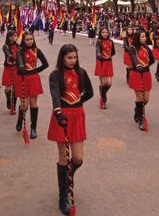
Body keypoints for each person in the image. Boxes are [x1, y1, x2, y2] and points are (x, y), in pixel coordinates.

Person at [47, 44, 93, 215]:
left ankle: (67, 179)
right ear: (62, 58)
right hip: (62, 118)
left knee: (78, 159)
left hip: (78, 115)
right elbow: (55, 95)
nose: (72, 61)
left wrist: (78, 102)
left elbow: (89, 92)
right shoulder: (55, 75)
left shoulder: (82, 73)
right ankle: (62, 196)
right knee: (64, 158)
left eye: (74, 57)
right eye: (69, 58)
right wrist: (59, 113)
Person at [15, 32, 49, 139]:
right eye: (27, 40)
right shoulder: (20, 50)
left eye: (31, 39)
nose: (30, 41)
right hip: (23, 78)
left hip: (34, 79)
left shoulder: (37, 50)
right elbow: (19, 60)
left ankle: (33, 128)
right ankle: (20, 119)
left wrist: (35, 70)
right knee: (24, 106)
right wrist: (21, 67)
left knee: (34, 104)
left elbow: (45, 64)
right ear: (23, 41)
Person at [128, 30, 155, 131]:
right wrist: (138, 65)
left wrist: (145, 66)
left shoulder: (147, 48)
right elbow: (134, 58)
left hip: (146, 74)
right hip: (136, 74)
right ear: (137, 38)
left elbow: (152, 60)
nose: (145, 38)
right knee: (140, 97)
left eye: (145, 37)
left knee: (146, 99)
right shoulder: (132, 48)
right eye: (142, 37)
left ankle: (137, 110)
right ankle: (141, 119)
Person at [95, 27, 115, 109]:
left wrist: (108, 57)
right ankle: (103, 100)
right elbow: (98, 52)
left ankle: (103, 94)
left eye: (106, 32)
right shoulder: (99, 42)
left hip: (109, 63)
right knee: (103, 83)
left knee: (109, 83)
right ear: (100, 33)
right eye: (103, 32)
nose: (105, 34)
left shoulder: (111, 41)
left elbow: (113, 52)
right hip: (101, 62)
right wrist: (103, 57)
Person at [1, 30, 19, 111]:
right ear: (10, 38)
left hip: (16, 68)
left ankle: (13, 106)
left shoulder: (18, 46)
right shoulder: (5, 46)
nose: (16, 37)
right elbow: (6, 52)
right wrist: (9, 55)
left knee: (15, 88)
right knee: (8, 89)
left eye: (16, 35)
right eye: (14, 36)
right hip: (8, 69)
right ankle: (8, 100)